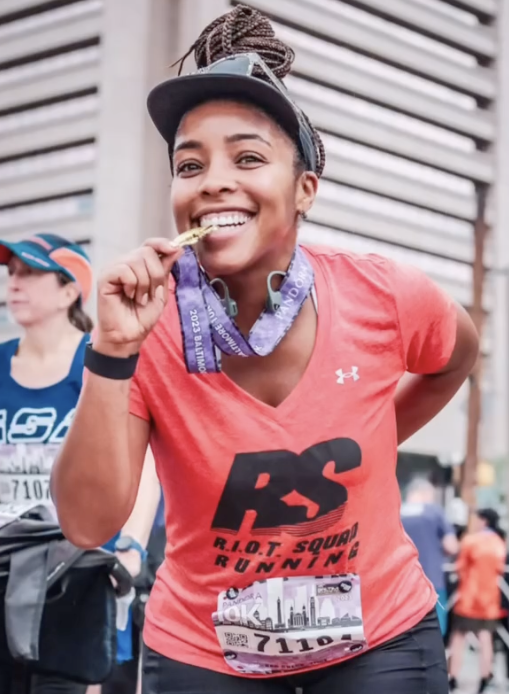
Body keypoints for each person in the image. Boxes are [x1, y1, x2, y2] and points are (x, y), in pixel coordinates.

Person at [52, 5, 479, 694]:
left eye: (248, 157)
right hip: (203, 650)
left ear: (305, 189)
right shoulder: (140, 325)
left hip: (380, 641)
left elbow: (456, 354)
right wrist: (111, 351)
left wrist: (376, 433)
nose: (214, 178)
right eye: (190, 164)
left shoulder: (384, 293)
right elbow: (87, 522)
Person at [0, 233, 159, 694]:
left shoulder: (100, 358)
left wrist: (131, 550)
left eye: (31, 273)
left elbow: (145, 465)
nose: (15, 284)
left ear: (68, 290)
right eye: (11, 274)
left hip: (89, 571)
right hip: (9, 572)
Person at [448, 508, 506, 693]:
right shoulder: (499, 543)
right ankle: (484, 677)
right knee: (486, 638)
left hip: (468, 599)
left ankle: (453, 677)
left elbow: (460, 567)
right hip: (489, 601)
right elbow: (499, 568)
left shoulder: (471, 541)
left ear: (484, 521)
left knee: (458, 637)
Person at [401, 478, 459, 636]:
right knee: (435, 629)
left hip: (400, 583)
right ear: (425, 493)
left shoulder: (396, 511)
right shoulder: (434, 511)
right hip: (430, 580)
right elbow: (451, 546)